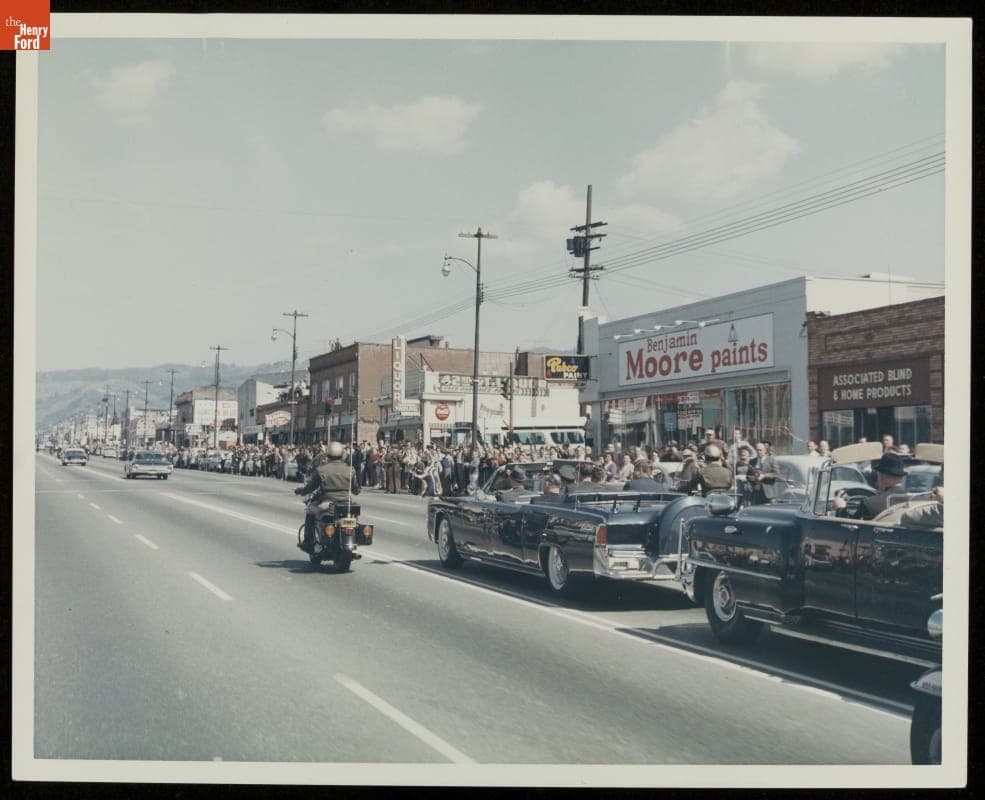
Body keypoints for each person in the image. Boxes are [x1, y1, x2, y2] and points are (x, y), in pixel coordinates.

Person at [295, 441, 361, 552]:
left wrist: (301, 491)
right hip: (346, 503)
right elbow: (356, 490)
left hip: (328, 503)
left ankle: (308, 541)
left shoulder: (322, 470)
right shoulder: (350, 470)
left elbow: (311, 486)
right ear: (342, 454)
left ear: (328, 454)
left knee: (310, 510)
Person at [834, 451, 907, 520]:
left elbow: (850, 530)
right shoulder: (912, 500)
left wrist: (840, 509)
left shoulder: (870, 504)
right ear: (901, 478)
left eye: (877, 475)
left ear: (881, 477)